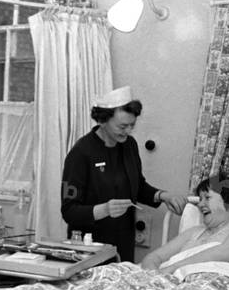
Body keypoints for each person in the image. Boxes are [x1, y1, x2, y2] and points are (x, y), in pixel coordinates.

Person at [61, 86, 188, 262]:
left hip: (123, 243)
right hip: (89, 249)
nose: (128, 131)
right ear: (103, 121)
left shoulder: (129, 146)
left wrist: (162, 196)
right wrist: (104, 209)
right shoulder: (81, 153)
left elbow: (137, 186)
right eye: (122, 126)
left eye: (132, 126)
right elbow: (69, 211)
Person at [140, 175, 229, 273]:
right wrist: (154, 276)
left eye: (207, 198)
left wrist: (171, 269)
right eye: (200, 199)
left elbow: (226, 252)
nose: (200, 204)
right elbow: (154, 257)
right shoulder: (195, 232)